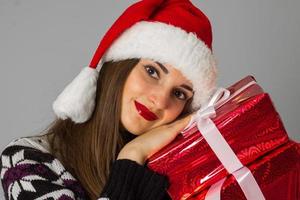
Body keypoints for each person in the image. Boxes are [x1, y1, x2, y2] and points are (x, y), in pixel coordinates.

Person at [0, 0, 218, 199]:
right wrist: (132, 159)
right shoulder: (25, 160)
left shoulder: (180, 175)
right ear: (119, 67)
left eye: (179, 94)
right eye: (151, 71)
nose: (160, 101)